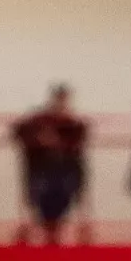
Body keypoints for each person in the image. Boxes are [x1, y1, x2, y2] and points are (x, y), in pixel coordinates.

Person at [11, 84, 88, 245]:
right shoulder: (38, 120)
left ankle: (54, 228)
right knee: (41, 193)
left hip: (65, 173)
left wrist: (60, 143)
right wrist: (39, 140)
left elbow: (80, 139)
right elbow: (18, 132)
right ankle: (45, 227)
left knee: (64, 193)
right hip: (41, 171)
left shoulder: (72, 123)